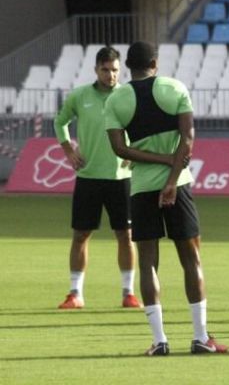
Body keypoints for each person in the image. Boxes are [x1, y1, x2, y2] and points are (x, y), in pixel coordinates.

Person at [104, 41, 227, 356]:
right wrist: (171, 177)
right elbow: (188, 140)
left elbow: (119, 149)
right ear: (155, 64)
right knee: (191, 259)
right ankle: (200, 338)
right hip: (180, 185)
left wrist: (155, 162)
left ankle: (160, 342)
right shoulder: (174, 89)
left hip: (142, 188)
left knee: (148, 263)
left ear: (129, 67)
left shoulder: (117, 99)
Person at [54, 46, 141, 310]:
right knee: (81, 234)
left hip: (121, 176)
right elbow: (60, 122)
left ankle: (128, 293)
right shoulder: (80, 96)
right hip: (89, 176)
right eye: (105, 70)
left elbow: (142, 127)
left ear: (120, 70)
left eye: (115, 70)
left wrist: (135, 153)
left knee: (125, 235)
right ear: (96, 70)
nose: (111, 75)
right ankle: (75, 293)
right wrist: (68, 149)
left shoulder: (129, 95)